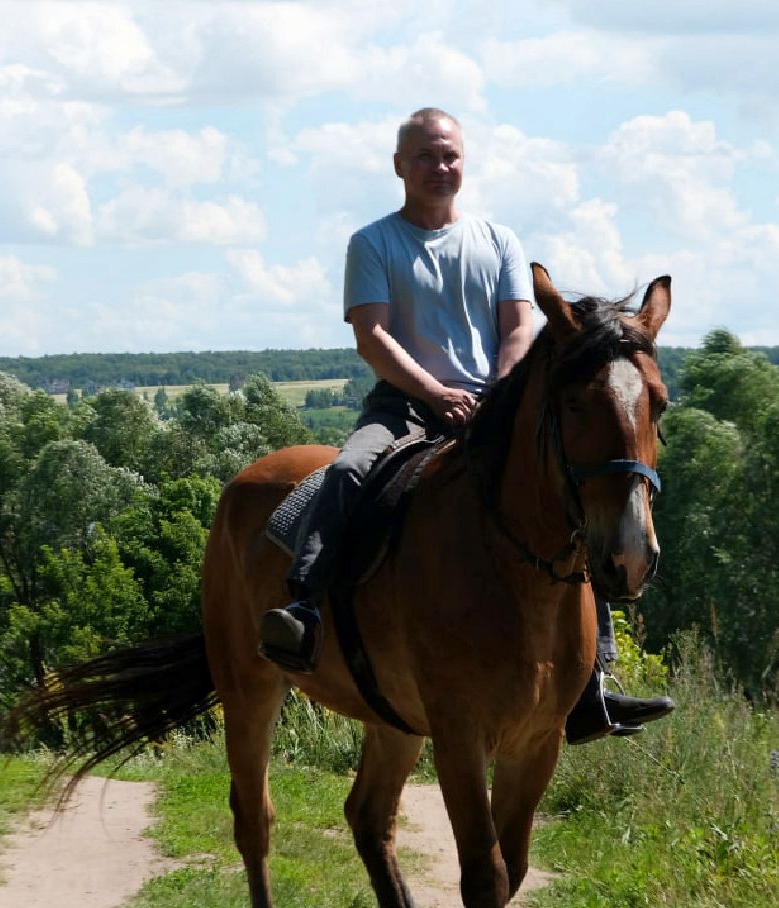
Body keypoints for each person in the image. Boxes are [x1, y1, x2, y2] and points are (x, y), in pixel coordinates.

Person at [258, 107, 673, 743]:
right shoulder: (375, 243)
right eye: (425, 156)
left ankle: (592, 681)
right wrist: (434, 391)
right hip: (404, 406)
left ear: (464, 163)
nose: (439, 167)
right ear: (400, 166)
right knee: (345, 471)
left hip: (491, 409)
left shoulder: (499, 241)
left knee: (568, 504)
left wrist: (498, 395)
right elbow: (372, 334)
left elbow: (517, 327)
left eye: (449, 155)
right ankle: (306, 608)